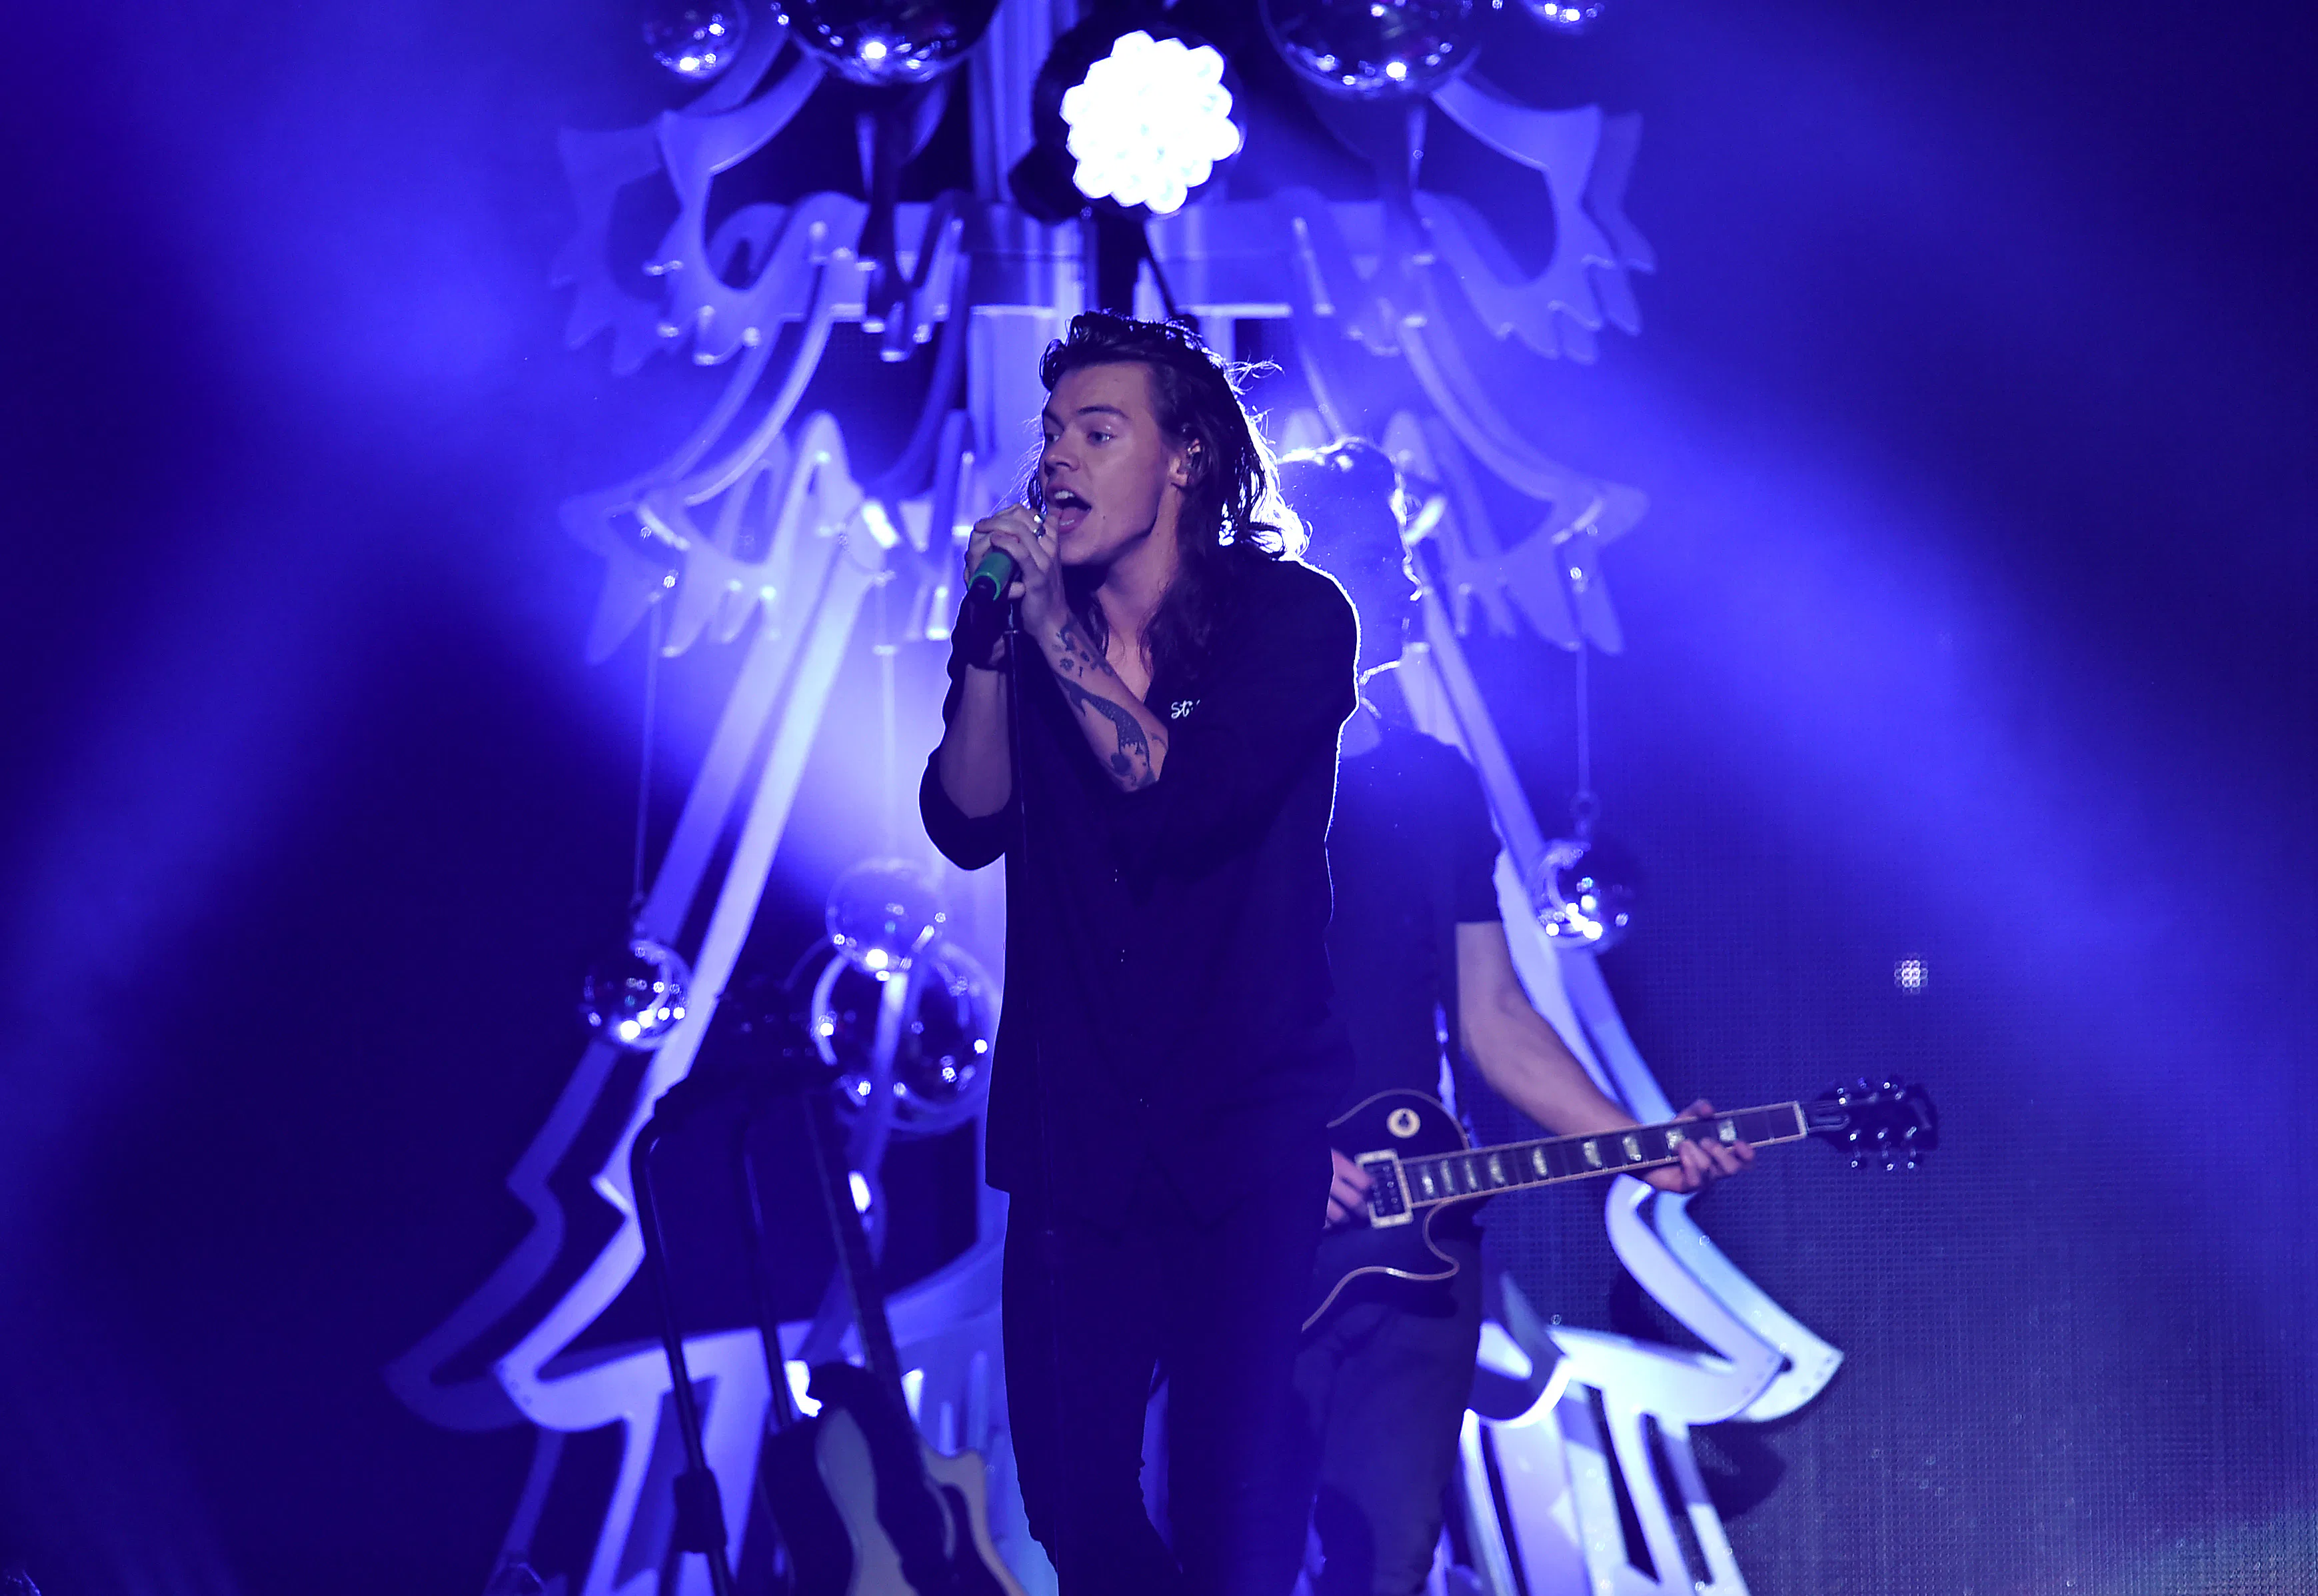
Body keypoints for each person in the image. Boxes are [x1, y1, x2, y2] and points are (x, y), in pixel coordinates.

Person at [919, 314, 1360, 1596]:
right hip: (1074, 1144)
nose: (1056, 456)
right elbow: (965, 818)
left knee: (1227, 1514)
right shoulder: (1029, 635)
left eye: (1097, 431)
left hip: (1239, 1141)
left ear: (1185, 460)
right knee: (1074, 1508)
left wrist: (1053, 631)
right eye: (1051, 431)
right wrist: (989, 642)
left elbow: (1179, 792)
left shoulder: (1289, 620)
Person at [1279, 440, 1753, 1596]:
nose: (1407, 582)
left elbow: (1495, 1017)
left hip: (1418, 1250)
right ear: (1298, 574)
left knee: (1383, 1566)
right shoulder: (1194, 777)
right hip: (1238, 1245)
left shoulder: (1435, 783)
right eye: (1377, 557)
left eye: (1403, 556)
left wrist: (1640, 1145)